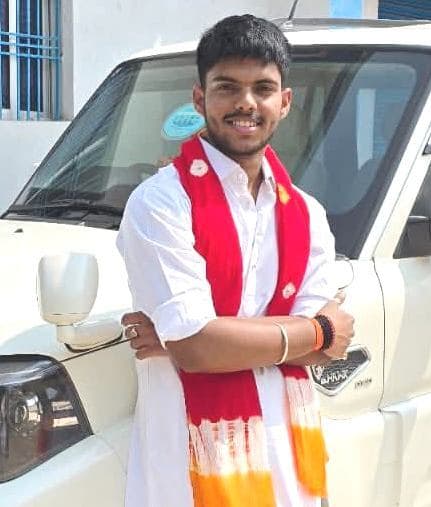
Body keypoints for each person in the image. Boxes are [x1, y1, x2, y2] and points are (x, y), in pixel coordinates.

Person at [117, 14, 354, 507]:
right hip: (190, 469)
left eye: (262, 88)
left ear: (284, 102)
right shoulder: (162, 202)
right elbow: (199, 348)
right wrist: (318, 330)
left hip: (287, 461)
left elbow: (326, 350)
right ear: (199, 98)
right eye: (227, 87)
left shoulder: (306, 213)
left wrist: (201, 339)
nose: (246, 102)